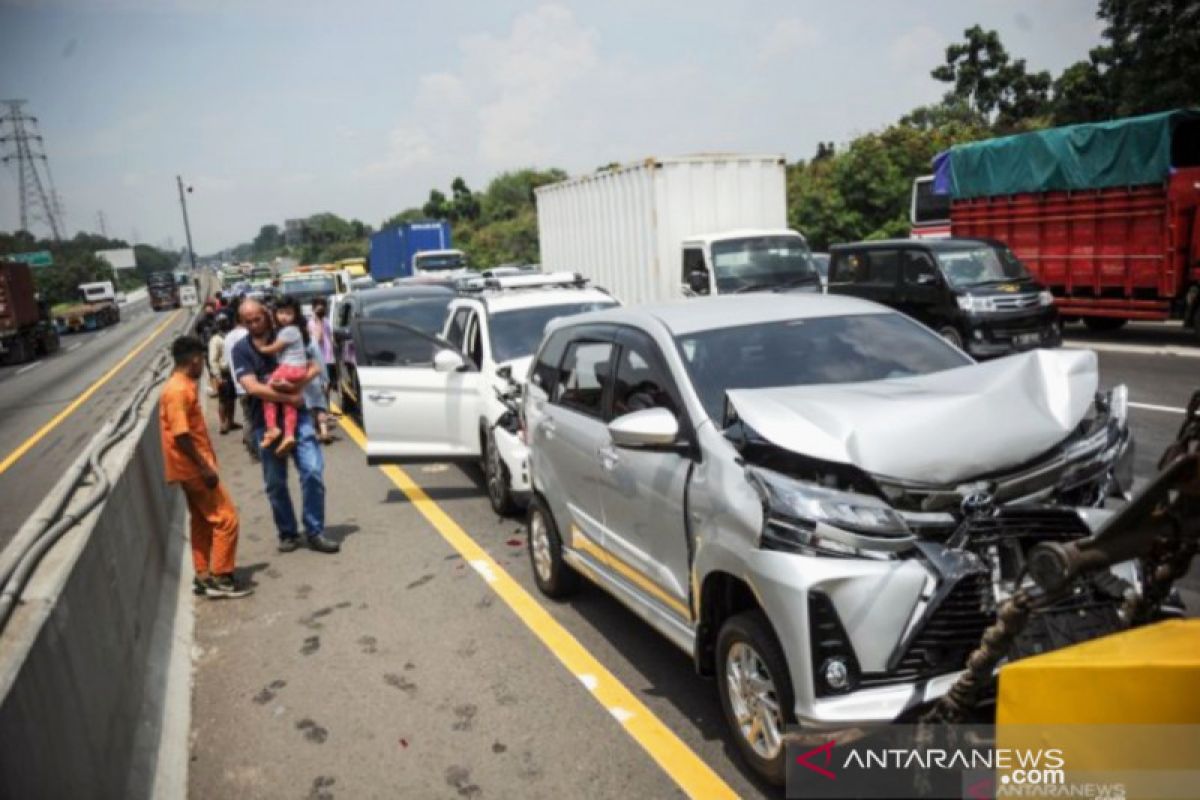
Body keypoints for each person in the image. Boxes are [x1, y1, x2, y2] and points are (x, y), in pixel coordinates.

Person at [231, 298, 340, 554]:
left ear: (267, 314)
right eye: (247, 322)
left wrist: (297, 386)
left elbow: (314, 366)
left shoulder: (290, 334)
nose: (254, 324)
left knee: (313, 471)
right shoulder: (241, 349)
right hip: (265, 424)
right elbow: (252, 387)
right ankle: (288, 532)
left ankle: (315, 530)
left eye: (257, 318)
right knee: (275, 482)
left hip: (299, 417)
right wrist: (289, 397)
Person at [159, 336, 251, 598]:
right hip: (193, 469)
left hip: (187, 468)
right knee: (227, 519)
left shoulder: (181, 386)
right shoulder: (178, 391)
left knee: (201, 522)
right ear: (195, 359)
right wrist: (204, 468)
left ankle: (203, 575)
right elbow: (181, 435)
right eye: (201, 361)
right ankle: (222, 577)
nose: (203, 367)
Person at [251, 296, 309, 456]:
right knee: (286, 400)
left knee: (267, 393)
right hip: (297, 371)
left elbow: (273, 349)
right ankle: (289, 435)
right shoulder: (294, 330)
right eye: (281, 312)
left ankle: (272, 428)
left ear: (296, 315)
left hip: (289, 368)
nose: (284, 316)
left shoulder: (289, 330)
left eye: (288, 313)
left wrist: (261, 347)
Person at [221, 296, 259, 462]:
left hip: (238, 384)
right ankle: (256, 450)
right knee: (256, 418)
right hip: (253, 383)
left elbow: (226, 362)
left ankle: (252, 448)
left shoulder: (228, 338)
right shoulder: (248, 335)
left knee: (247, 418)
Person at [308, 297, 337, 440]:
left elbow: (329, 338)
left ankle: (324, 415)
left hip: (329, 358)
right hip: (319, 361)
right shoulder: (311, 323)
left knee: (327, 388)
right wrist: (317, 321)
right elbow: (317, 340)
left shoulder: (326, 321)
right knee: (320, 391)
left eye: (323, 306)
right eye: (319, 307)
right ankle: (320, 424)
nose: (322, 309)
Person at [208, 316, 241, 434]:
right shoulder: (216, 340)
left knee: (232, 399)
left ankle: (231, 421)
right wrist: (217, 376)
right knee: (223, 400)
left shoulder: (231, 336)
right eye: (222, 322)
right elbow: (213, 360)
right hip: (223, 373)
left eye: (226, 322)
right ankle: (222, 423)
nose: (224, 324)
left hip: (233, 372)